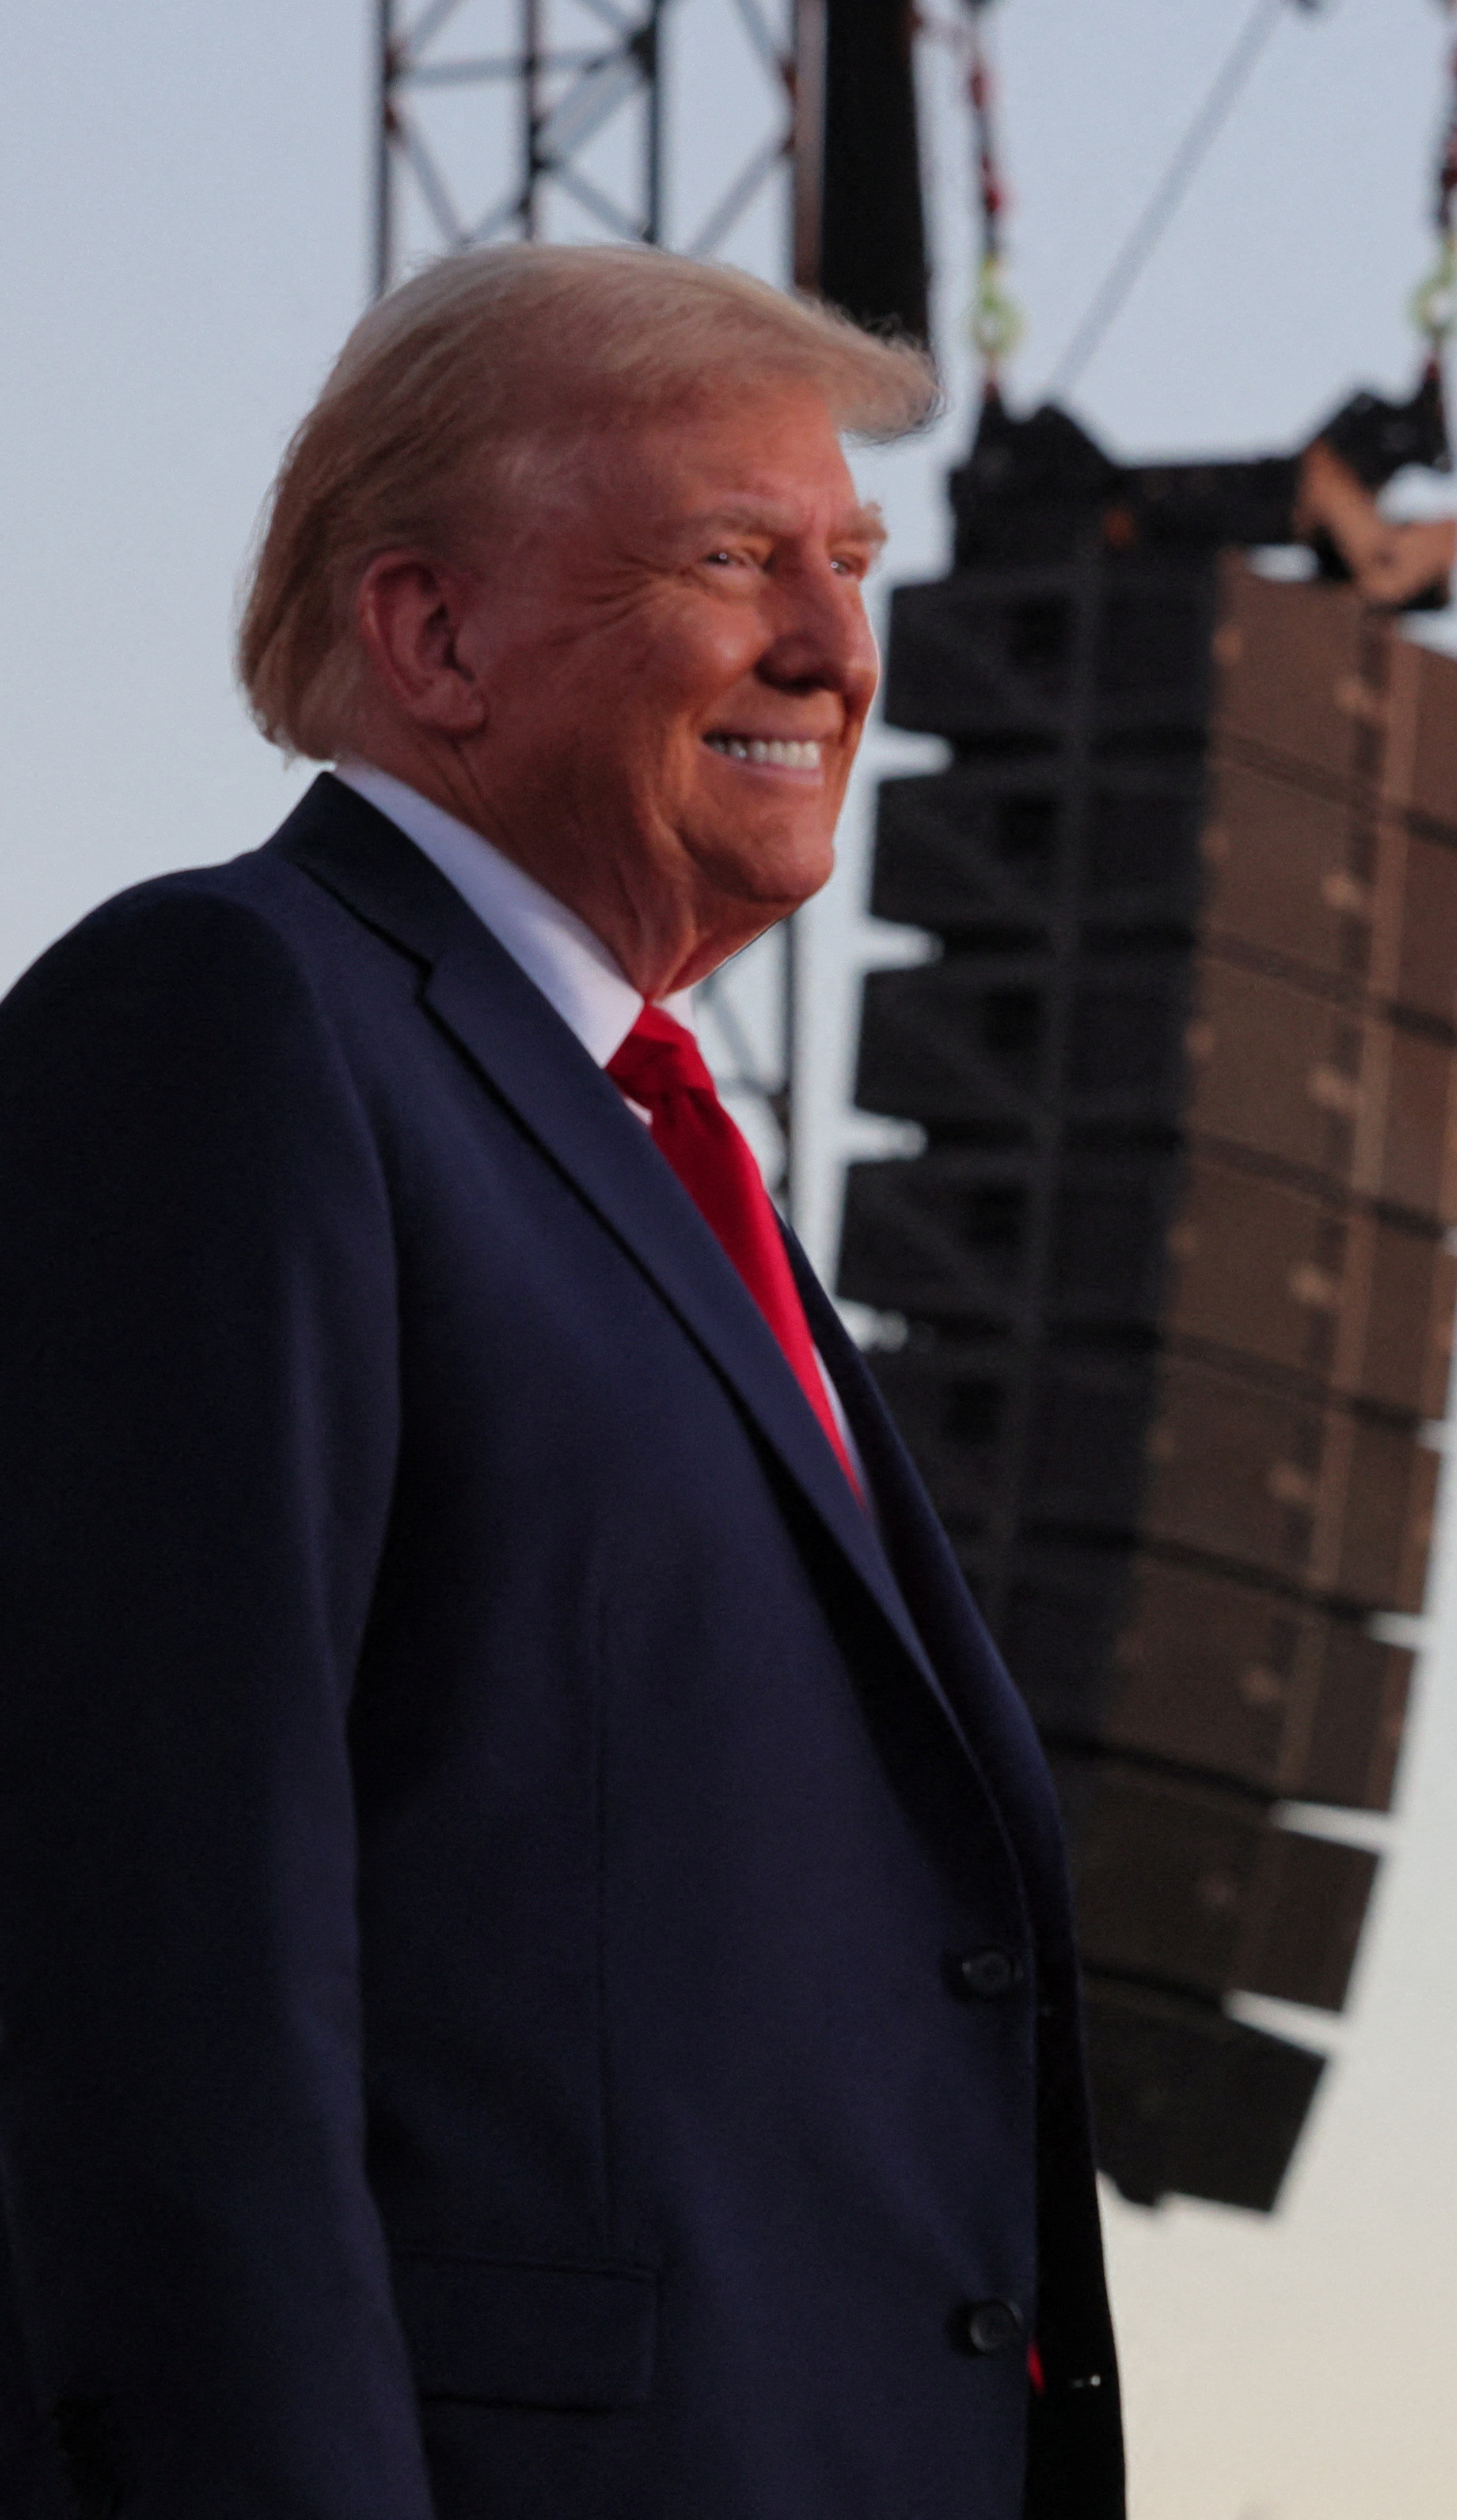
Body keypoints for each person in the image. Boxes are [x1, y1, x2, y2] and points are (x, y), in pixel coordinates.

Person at [0, 244, 1120, 2517]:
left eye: (849, 563)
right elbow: (156, 1987)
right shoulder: (231, 1021)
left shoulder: (656, 1151)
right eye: (733, 560)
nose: (834, 644)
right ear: (431, 635)